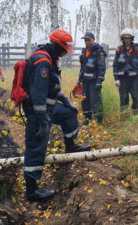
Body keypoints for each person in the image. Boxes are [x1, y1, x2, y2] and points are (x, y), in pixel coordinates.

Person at [22, 29, 90, 202]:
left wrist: (67, 102)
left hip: (50, 108)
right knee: (37, 147)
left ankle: (71, 146)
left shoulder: (52, 59)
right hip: (38, 112)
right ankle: (32, 191)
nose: (66, 53)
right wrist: (42, 119)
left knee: (69, 114)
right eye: (64, 49)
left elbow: (54, 88)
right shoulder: (43, 61)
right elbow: (38, 94)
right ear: (57, 46)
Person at [77, 31, 107, 124]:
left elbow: (102, 67)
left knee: (95, 101)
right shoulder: (84, 51)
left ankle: (99, 121)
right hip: (85, 81)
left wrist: (99, 81)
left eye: (88, 40)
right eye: (85, 40)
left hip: (94, 81)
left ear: (93, 39)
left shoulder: (99, 52)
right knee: (85, 100)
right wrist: (79, 79)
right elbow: (82, 67)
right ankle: (87, 119)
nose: (87, 42)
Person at [113, 28, 138, 113]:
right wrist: (116, 79)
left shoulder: (136, 49)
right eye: (125, 38)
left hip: (134, 79)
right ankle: (124, 116)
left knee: (135, 97)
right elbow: (115, 65)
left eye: (128, 38)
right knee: (123, 98)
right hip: (122, 79)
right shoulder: (119, 50)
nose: (127, 40)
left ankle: (135, 115)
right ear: (122, 39)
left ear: (131, 39)